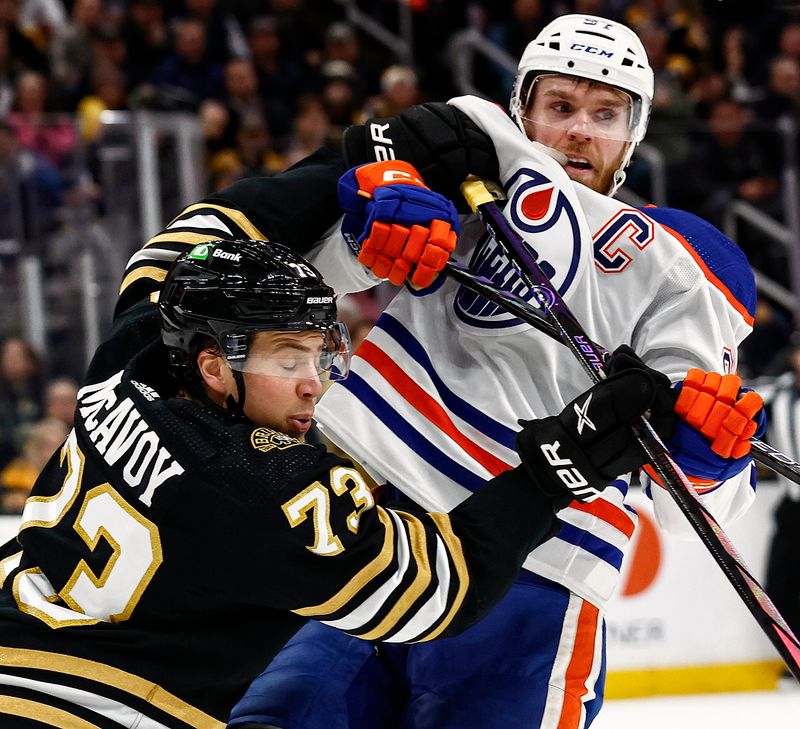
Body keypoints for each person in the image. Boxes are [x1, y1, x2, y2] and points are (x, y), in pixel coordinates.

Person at [0, 146, 675, 727]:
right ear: (212, 363)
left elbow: (201, 230)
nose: (312, 384)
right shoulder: (260, 485)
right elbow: (443, 587)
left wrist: (370, 149)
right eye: (287, 358)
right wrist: (558, 469)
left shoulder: (127, 366)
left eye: (320, 358)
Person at [229, 14, 766, 729]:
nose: (579, 132)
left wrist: (708, 455)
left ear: (633, 137)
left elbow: (694, 498)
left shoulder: (679, 258)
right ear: (523, 112)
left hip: (538, 571)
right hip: (362, 522)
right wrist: (367, 219)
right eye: (561, 107)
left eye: (605, 114)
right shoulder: (461, 174)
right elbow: (303, 279)